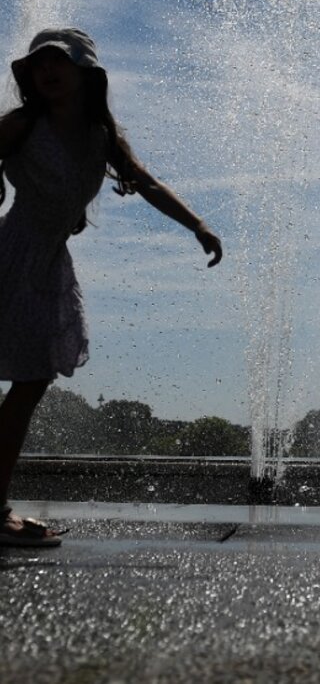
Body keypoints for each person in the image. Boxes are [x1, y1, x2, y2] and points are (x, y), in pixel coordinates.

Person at [0, 28, 221, 547]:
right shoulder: (22, 125)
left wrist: (197, 225)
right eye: (39, 65)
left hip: (47, 267)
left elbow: (145, 182)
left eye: (61, 62)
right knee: (27, 384)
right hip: (12, 256)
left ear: (87, 73)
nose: (48, 72)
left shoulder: (101, 137)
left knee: (29, 385)